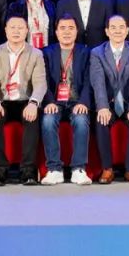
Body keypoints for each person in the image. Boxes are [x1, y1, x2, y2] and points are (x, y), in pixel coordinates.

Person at [0, 15, 48, 186]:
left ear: (27, 31)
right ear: (6, 30)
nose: (16, 31)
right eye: (12, 27)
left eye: (20, 28)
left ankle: (28, 170)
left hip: (25, 100)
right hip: (2, 101)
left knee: (32, 117)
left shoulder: (36, 54)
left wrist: (34, 103)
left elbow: (40, 83)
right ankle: (1, 169)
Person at [89, 15, 129, 184]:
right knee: (101, 121)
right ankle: (107, 169)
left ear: (127, 30)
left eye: (121, 27)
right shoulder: (97, 53)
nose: (117, 31)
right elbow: (98, 82)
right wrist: (102, 107)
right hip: (108, 102)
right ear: (107, 31)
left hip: (128, 102)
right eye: (113, 27)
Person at [40, 15, 93, 186]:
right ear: (56, 32)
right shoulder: (46, 53)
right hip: (54, 101)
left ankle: (79, 168)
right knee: (48, 121)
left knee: (81, 120)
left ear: (77, 31)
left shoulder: (85, 52)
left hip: (77, 101)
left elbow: (89, 80)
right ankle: (54, 169)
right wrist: (49, 101)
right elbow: (42, 80)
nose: (67, 32)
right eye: (62, 28)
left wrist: (83, 102)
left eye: (71, 28)